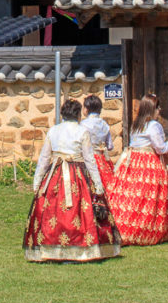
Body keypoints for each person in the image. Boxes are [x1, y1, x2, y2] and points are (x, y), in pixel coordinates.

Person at [24, 98, 121, 263]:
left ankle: (51, 248)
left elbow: (44, 158)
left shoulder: (53, 131)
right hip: (77, 174)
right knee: (78, 211)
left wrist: (37, 181)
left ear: (62, 114)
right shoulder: (81, 132)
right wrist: (97, 185)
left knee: (53, 210)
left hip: (54, 175)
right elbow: (90, 160)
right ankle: (80, 248)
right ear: (77, 115)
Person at [107, 93, 168, 246]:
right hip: (148, 164)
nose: (160, 110)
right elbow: (160, 148)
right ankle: (147, 230)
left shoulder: (137, 124)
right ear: (152, 109)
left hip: (132, 163)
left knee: (131, 197)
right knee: (148, 199)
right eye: (157, 107)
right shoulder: (153, 125)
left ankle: (123, 228)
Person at [81, 93, 115, 189]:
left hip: (87, 159)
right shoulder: (104, 124)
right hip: (102, 160)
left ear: (86, 109)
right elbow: (110, 146)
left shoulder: (83, 125)